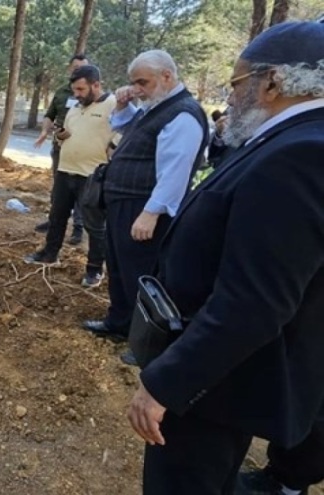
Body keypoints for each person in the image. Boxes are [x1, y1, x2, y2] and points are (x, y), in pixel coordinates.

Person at [126, 21, 324, 494]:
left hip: (217, 380)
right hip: (225, 361)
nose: (230, 97)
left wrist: (168, 384)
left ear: (273, 81)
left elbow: (254, 302)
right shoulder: (288, 138)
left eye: (236, 83)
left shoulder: (299, 153)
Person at [82, 50, 209, 346]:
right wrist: (125, 104)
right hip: (125, 203)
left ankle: (143, 341)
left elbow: (175, 171)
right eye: (133, 83)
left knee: (140, 274)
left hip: (143, 208)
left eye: (143, 82)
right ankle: (119, 323)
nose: (137, 88)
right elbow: (126, 129)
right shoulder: (158, 106)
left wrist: (151, 212)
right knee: (118, 267)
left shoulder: (183, 114)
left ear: (167, 76)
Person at [24, 65, 116, 288]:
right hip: (66, 170)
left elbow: (120, 136)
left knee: (94, 225)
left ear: (96, 85)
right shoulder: (75, 107)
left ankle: (94, 270)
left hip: (92, 175)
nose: (77, 94)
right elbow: (65, 136)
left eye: (81, 89)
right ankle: (50, 254)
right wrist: (61, 137)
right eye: (74, 89)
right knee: (57, 215)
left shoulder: (112, 105)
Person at [33, 54, 90, 245]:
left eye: (82, 68)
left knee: (81, 190)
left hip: (83, 152)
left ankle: (78, 229)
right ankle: (54, 221)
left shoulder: (93, 95)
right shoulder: (61, 92)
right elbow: (50, 115)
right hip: (60, 148)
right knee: (59, 188)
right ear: (70, 69)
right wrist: (43, 132)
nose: (78, 70)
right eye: (75, 67)